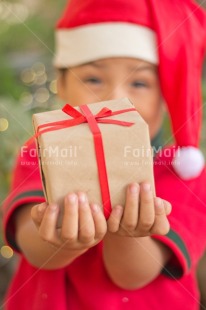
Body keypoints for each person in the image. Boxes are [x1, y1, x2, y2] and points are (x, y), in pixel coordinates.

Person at [2, 0, 206, 309]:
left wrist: (127, 232)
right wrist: (58, 241)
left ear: (163, 100)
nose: (115, 98)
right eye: (94, 79)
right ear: (63, 86)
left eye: (139, 83)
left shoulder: (184, 172)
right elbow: (29, 241)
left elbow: (133, 276)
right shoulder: (41, 151)